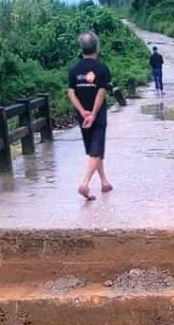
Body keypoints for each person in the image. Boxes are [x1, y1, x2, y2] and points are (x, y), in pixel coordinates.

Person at [67, 32, 113, 200]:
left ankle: (104, 182)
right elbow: (101, 93)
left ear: (82, 49)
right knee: (96, 151)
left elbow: (71, 93)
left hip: (82, 116)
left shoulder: (74, 69)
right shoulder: (102, 69)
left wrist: (82, 111)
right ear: (97, 47)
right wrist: (93, 114)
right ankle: (85, 184)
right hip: (97, 115)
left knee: (95, 151)